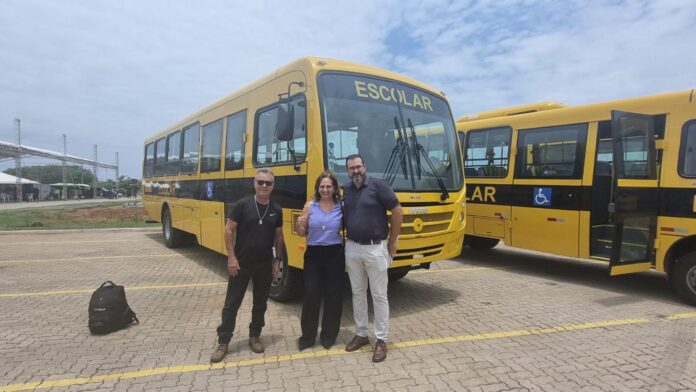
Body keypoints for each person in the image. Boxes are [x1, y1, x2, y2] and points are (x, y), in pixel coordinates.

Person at [210, 168, 284, 363]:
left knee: (260, 303)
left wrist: (278, 260)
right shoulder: (242, 205)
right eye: (261, 182)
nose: (264, 186)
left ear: (272, 186)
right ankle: (223, 341)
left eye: (268, 183)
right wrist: (231, 257)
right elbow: (228, 231)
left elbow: (279, 236)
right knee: (232, 304)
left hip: (264, 265)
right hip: (241, 264)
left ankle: (255, 335)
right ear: (254, 183)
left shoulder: (276, 209)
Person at [342, 154, 403, 363]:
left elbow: (397, 211)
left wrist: (393, 242)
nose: (355, 171)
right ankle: (360, 334)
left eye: (358, 166)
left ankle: (381, 339)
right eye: (351, 168)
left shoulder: (379, 185)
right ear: (348, 171)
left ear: (364, 166)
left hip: (376, 248)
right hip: (352, 247)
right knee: (357, 293)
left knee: (379, 295)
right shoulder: (347, 190)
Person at [295, 171, 345, 351]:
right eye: (322, 186)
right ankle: (307, 337)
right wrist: (299, 224)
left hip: (334, 254)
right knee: (311, 294)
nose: (325, 189)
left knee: (333, 296)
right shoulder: (310, 206)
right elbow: (301, 231)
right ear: (318, 188)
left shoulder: (341, 206)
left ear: (334, 189)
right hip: (314, 255)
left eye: (328, 186)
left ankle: (329, 336)